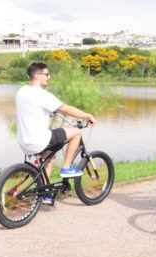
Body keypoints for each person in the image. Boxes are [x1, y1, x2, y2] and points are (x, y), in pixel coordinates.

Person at [15, 62, 96, 204]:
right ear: (36, 75)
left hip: (24, 141)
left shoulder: (22, 91)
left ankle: (45, 194)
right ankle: (66, 168)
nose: (49, 77)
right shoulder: (42, 95)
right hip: (39, 140)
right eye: (46, 74)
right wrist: (88, 115)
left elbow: (32, 109)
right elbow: (68, 110)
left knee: (50, 158)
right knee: (76, 132)